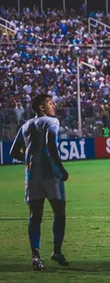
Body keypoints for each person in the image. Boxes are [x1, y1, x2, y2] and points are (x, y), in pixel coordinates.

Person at [10, 94, 69, 271]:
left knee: (35, 217)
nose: (54, 106)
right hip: (50, 175)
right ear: (42, 108)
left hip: (31, 176)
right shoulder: (51, 122)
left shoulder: (26, 125)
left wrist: (29, 160)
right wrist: (61, 168)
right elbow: (50, 144)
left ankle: (36, 256)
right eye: (51, 103)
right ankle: (56, 251)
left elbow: (13, 152)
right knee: (60, 212)